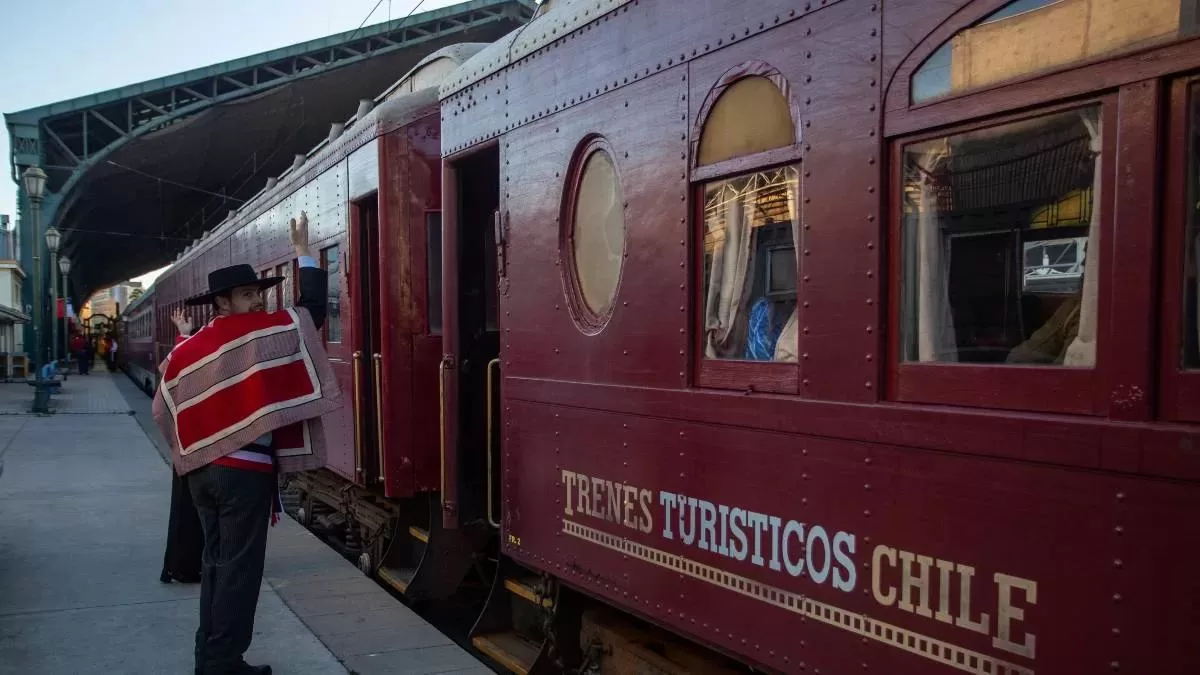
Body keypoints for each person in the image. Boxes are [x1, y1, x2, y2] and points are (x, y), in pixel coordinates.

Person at [152, 212, 341, 675]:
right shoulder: (260, 333)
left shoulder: (187, 350)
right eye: (247, 295)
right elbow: (311, 313)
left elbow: (162, 408)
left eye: (258, 292)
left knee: (216, 563)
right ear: (222, 302)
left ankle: (209, 653)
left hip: (201, 475)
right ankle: (223, 662)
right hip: (243, 474)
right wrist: (303, 252)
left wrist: (192, 450)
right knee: (239, 568)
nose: (257, 300)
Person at [159, 308, 203, 585]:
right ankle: (185, 565)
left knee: (184, 507)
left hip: (186, 441)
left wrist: (184, 335)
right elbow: (170, 367)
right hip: (192, 441)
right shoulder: (188, 357)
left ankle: (181, 564)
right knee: (190, 509)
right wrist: (185, 336)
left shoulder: (186, 353)